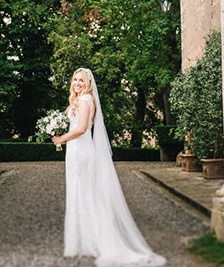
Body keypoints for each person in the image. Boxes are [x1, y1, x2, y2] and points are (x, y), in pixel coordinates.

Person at [52, 68, 166, 267]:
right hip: (76, 152)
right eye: (75, 79)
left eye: (81, 80)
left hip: (82, 152)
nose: (77, 83)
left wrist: (61, 138)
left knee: (87, 195)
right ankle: (85, 241)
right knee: (80, 193)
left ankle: (97, 241)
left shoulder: (86, 100)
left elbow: (80, 129)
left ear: (88, 83)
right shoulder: (79, 100)